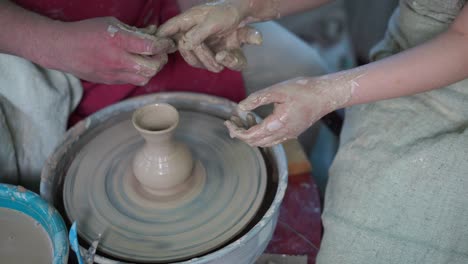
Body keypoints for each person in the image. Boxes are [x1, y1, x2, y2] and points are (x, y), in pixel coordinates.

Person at [161, 0, 468, 263]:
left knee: (378, 238)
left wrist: (325, 93)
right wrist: (246, 6)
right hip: (407, 46)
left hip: (456, 69)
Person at [0, 0, 327, 191]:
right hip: (31, 52)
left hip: (155, 18)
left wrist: (241, 7)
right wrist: (53, 45)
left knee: (305, 68)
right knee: (44, 191)